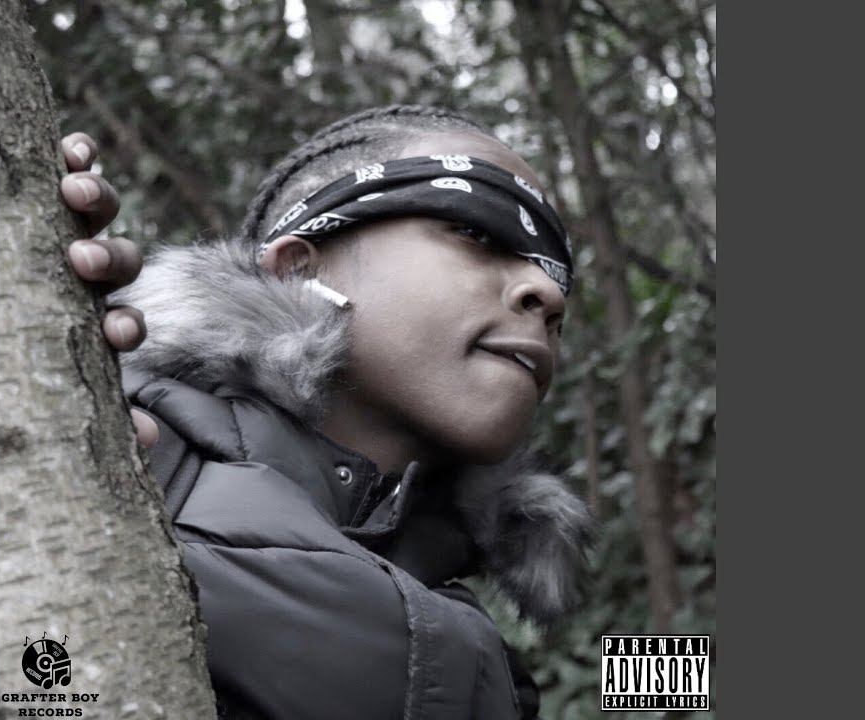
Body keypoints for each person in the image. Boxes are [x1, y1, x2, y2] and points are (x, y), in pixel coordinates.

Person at [56, 105, 594, 719]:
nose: (547, 294)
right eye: (479, 232)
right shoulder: (114, 466)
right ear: (300, 268)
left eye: (556, 273)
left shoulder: (496, 676)